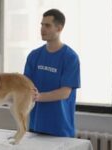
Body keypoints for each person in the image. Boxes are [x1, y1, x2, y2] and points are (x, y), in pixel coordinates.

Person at [24, 9, 80, 137]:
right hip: (35, 126)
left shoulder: (70, 57)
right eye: (41, 25)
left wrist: (38, 97)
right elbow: (25, 85)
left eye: (47, 25)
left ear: (59, 28)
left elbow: (65, 92)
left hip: (60, 129)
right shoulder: (34, 56)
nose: (42, 29)